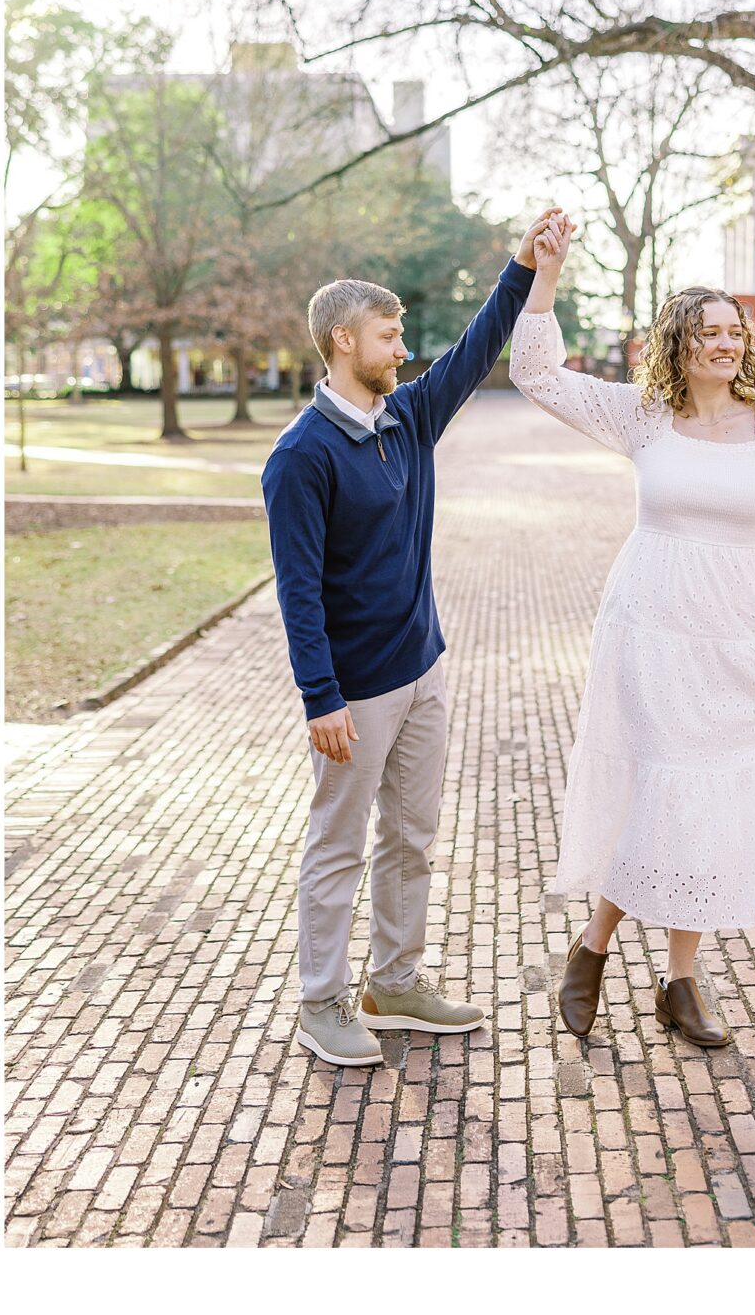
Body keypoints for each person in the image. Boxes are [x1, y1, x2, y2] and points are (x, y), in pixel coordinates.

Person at [509, 217, 755, 1050]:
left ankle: (674, 980)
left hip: (737, 631)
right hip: (647, 625)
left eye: (734, 333)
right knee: (663, 786)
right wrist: (547, 274)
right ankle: (596, 952)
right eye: (707, 332)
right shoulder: (642, 416)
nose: (724, 344)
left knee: (702, 795)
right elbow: (533, 372)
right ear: (676, 343)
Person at [263, 224, 551, 1070]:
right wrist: (320, 699)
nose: (404, 347)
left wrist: (522, 268)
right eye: (388, 336)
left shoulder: (407, 417)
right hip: (353, 694)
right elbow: (297, 591)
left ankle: (395, 984)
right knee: (337, 846)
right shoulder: (300, 457)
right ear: (342, 342)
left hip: (423, 672)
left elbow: (474, 347)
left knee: (411, 837)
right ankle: (321, 1001)